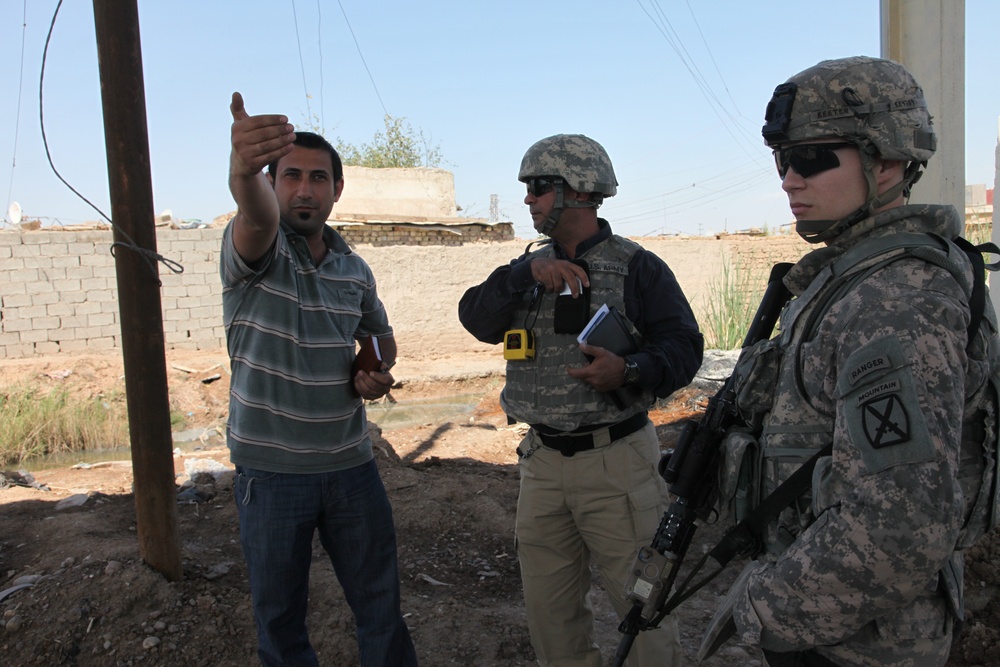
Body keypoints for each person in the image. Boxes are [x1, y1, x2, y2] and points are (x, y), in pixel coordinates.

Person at [700, 56, 1000, 667]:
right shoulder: (857, 279)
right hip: (831, 618)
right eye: (782, 159)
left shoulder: (898, 301)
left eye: (811, 158)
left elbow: (898, 530)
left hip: (858, 641)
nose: (788, 179)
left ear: (887, 160)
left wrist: (758, 609)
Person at [459, 134, 703, 666]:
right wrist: (523, 273)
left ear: (578, 190)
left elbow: (685, 348)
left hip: (616, 464)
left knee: (644, 612)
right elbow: (475, 318)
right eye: (528, 190)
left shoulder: (638, 267)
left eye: (539, 188)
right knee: (551, 618)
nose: (528, 200)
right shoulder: (525, 271)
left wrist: (629, 369)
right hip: (542, 465)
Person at [222, 91, 418, 667]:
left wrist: (374, 371)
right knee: (280, 621)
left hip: (352, 469)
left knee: (381, 607)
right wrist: (241, 171)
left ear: (337, 189)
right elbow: (256, 213)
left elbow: (381, 337)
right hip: (272, 474)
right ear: (272, 182)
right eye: (289, 177)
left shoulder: (354, 268)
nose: (303, 189)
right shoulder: (254, 250)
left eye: (317, 178)